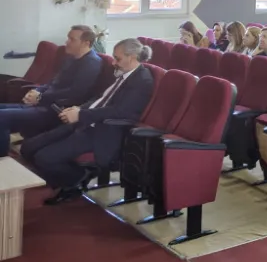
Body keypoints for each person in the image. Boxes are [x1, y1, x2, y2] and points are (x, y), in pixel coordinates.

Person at [20, 38, 155, 205]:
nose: (114, 62)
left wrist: (81, 114)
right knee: (28, 147)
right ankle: (69, 176)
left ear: (132, 57)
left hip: (103, 132)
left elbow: (119, 111)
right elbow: (100, 98)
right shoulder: (122, 73)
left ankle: (75, 180)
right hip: (86, 122)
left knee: (44, 158)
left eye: (118, 58)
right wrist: (78, 109)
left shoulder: (142, 81)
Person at [0, 26, 102, 157]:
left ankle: (3, 161)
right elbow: (53, 82)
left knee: (2, 117)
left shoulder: (91, 63)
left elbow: (75, 94)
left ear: (86, 43)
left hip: (56, 110)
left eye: (72, 39)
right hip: (44, 103)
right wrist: (36, 91)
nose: (67, 42)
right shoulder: (71, 58)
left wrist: (40, 97)